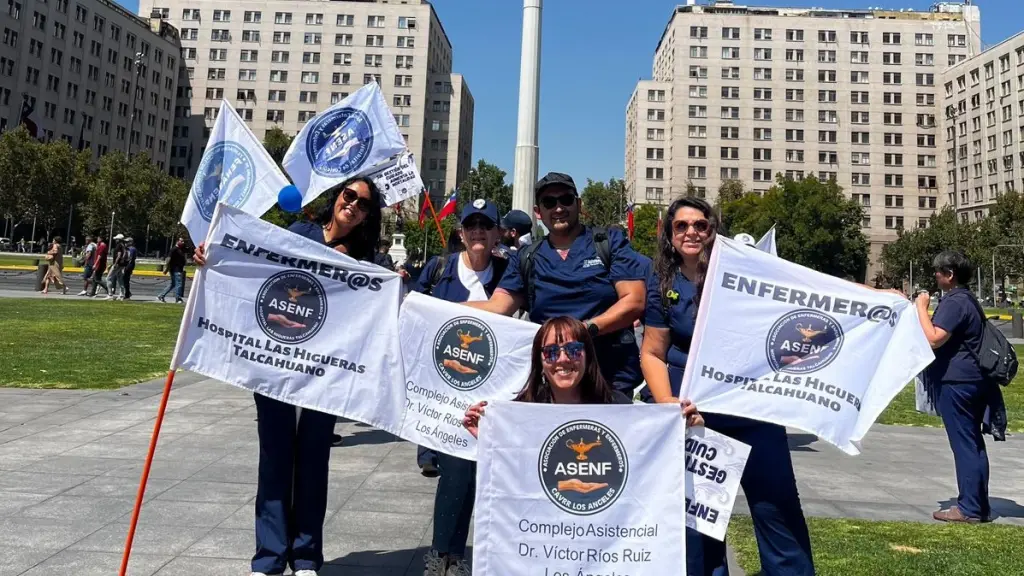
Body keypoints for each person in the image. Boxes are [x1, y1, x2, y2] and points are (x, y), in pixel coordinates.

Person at [196, 176, 383, 576]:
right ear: (337, 198)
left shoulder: (366, 259)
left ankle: (305, 557)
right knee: (275, 458)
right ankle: (269, 556)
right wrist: (212, 257)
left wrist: (396, 287)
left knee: (314, 463)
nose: (353, 205)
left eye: (364, 204)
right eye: (349, 196)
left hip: (325, 373)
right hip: (278, 361)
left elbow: (377, 306)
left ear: (369, 215)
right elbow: (257, 262)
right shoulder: (300, 232)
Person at [639, 196, 814, 576]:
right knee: (697, 523)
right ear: (669, 235)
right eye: (681, 226)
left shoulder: (743, 271)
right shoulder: (660, 281)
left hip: (751, 412)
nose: (691, 232)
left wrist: (876, 299)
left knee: (777, 510)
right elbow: (653, 353)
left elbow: (809, 294)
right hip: (694, 419)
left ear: (713, 230)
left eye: (700, 225)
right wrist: (670, 405)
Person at [469, 172, 648, 395]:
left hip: (609, 382)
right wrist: (426, 305)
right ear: (538, 212)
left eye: (566, 199)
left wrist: (586, 330)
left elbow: (634, 300)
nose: (559, 208)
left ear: (578, 203)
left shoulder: (608, 242)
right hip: (553, 382)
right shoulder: (527, 257)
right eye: (549, 202)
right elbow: (497, 307)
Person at [413, 199, 507, 576]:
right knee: (456, 471)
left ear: (499, 233)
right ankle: (443, 556)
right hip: (447, 392)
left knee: (486, 477)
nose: (479, 232)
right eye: (472, 225)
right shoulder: (439, 271)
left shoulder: (509, 272)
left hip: (495, 394)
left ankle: (481, 555)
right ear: (461, 232)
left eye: (486, 225)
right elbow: (412, 315)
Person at [915, 251, 996, 523]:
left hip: (958, 382)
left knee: (964, 445)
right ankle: (978, 505)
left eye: (938, 272)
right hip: (974, 380)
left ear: (949, 275)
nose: (935, 276)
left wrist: (921, 308)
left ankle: (970, 508)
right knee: (973, 444)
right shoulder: (968, 300)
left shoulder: (954, 302)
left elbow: (934, 338)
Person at [159, 238, 187, 303]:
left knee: (173, 284)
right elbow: (168, 259)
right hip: (175, 269)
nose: (183, 242)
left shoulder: (181, 249)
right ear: (177, 241)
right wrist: (166, 269)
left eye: (183, 241)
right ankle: (178, 298)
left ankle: (161, 296)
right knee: (179, 284)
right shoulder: (174, 249)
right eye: (181, 241)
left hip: (179, 269)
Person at [103, 234, 126, 300]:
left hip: (117, 264)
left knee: (108, 278)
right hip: (121, 265)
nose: (115, 240)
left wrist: (115, 263)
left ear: (118, 239)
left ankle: (110, 294)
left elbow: (119, 255)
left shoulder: (118, 246)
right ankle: (122, 295)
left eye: (116, 239)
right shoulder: (123, 245)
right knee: (120, 279)